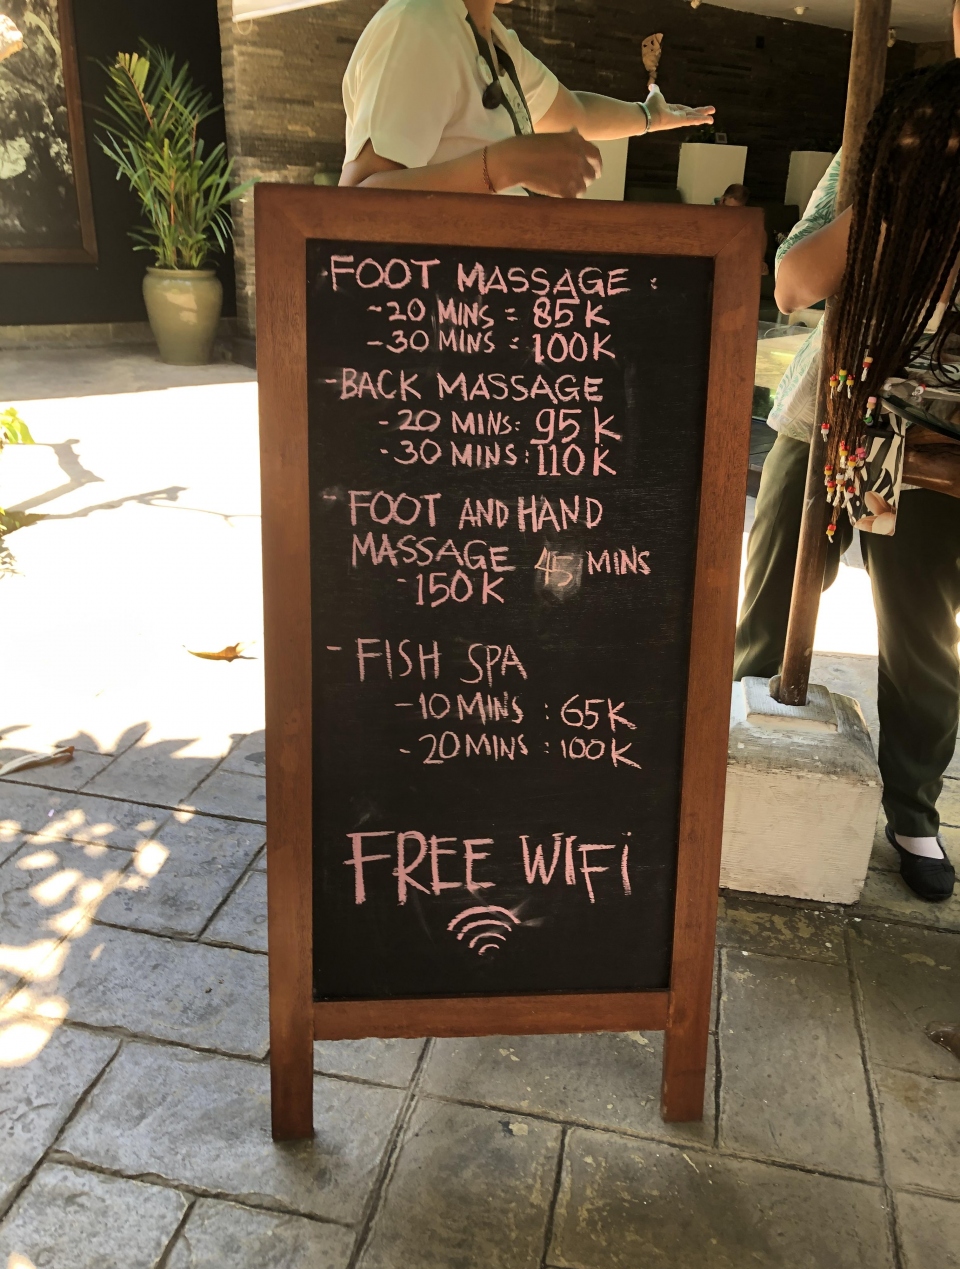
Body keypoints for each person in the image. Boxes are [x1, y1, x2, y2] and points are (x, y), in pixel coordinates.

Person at [735, 60, 960, 903]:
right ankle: (734, 758)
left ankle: (913, 812)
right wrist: (893, 192)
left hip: (938, 446)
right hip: (827, 412)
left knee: (922, 640)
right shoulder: (872, 155)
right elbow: (794, 285)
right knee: (768, 604)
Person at [339, 0, 714, 197]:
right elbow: (357, 204)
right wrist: (505, 164)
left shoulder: (496, 41)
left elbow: (576, 113)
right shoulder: (419, 23)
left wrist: (649, 116)